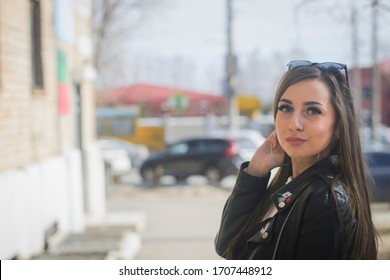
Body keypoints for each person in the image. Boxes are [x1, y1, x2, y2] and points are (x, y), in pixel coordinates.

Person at [215, 60, 378, 260]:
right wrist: (255, 172)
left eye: (313, 111)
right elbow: (228, 247)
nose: (294, 124)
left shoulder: (325, 199)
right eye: (285, 108)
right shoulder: (291, 188)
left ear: (338, 127)